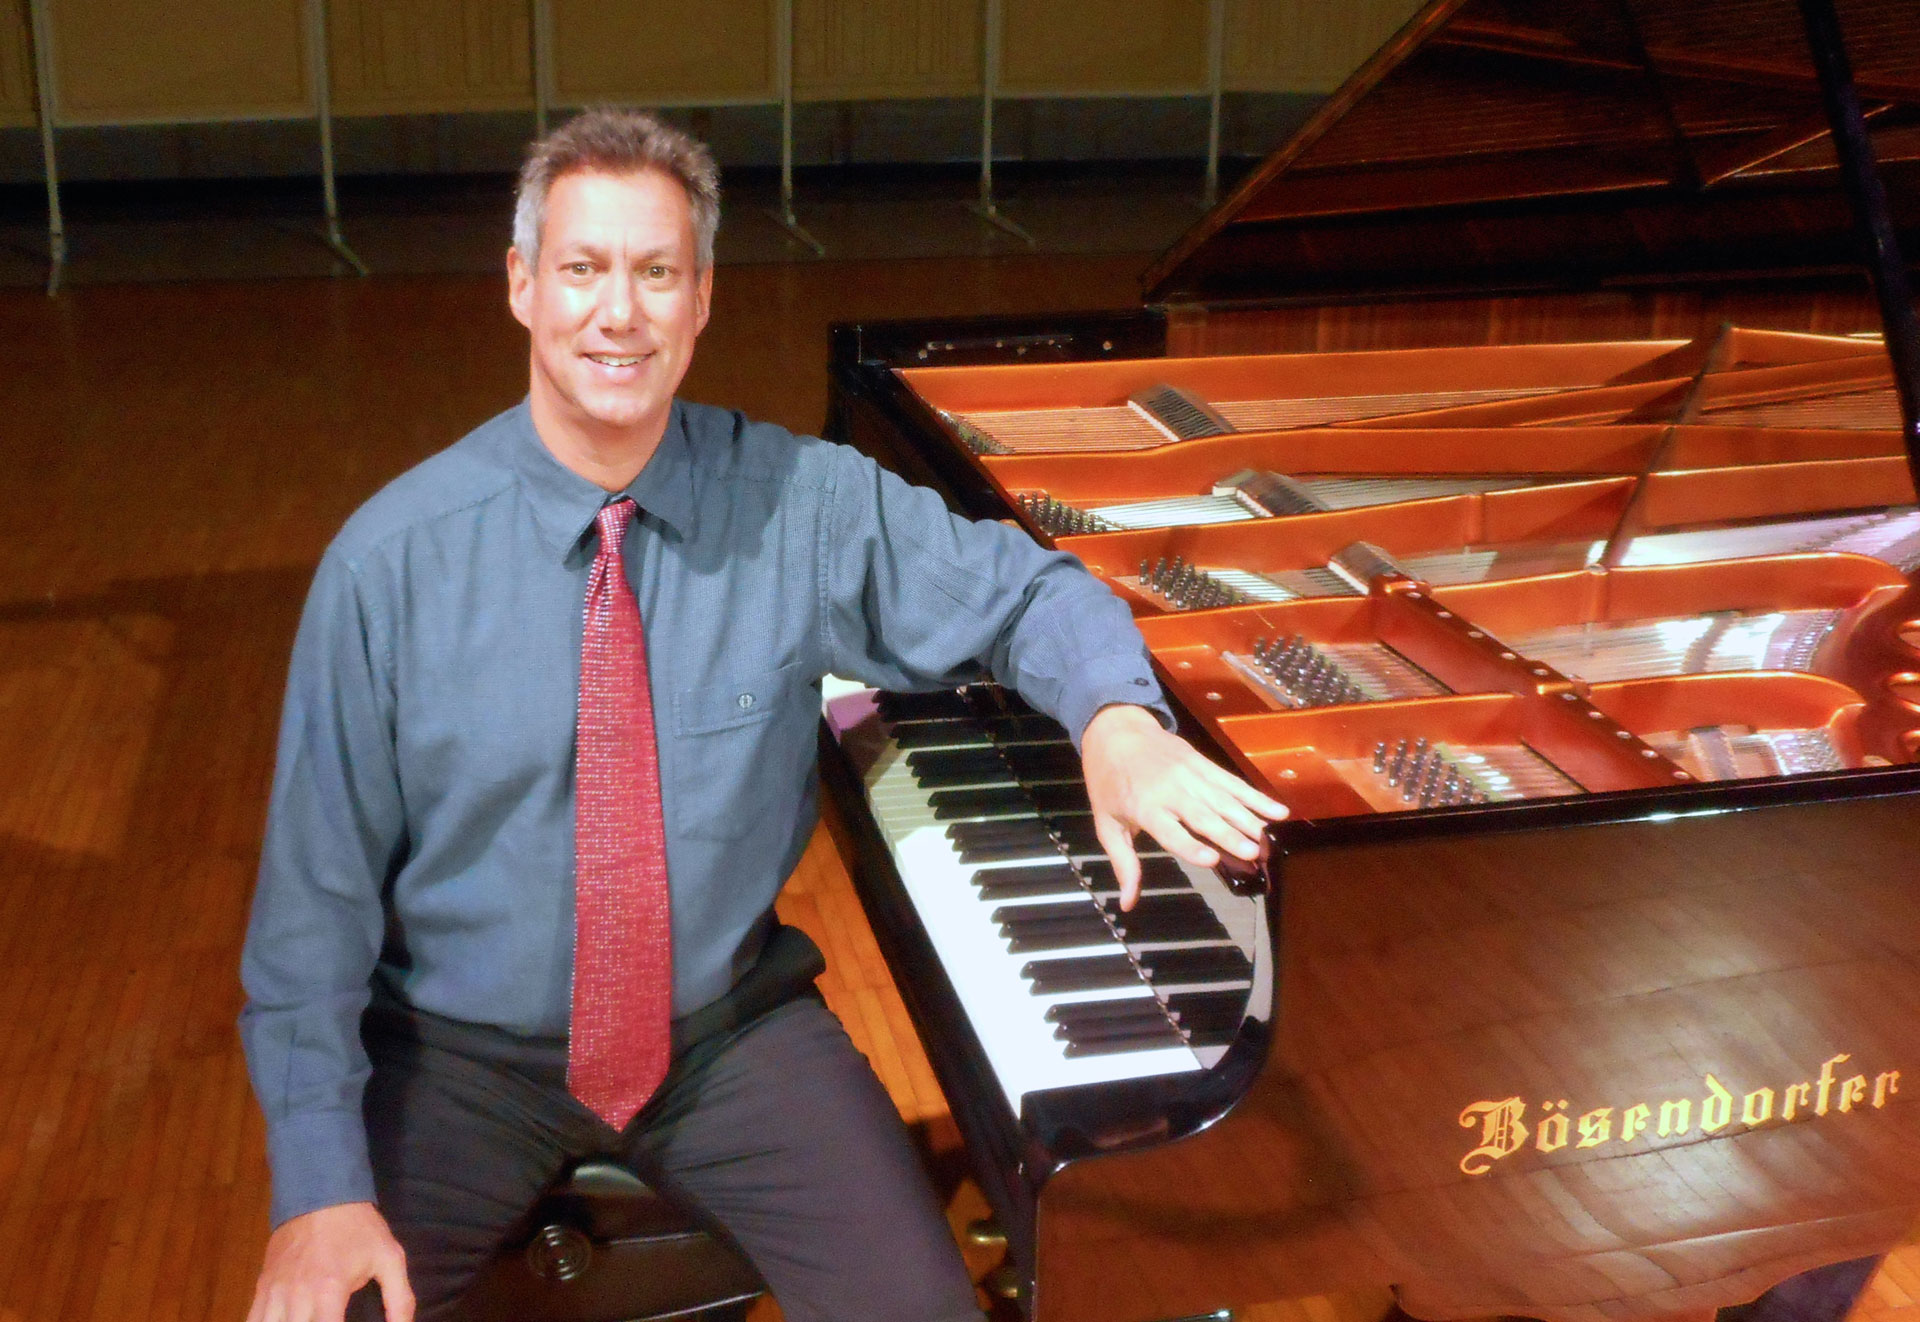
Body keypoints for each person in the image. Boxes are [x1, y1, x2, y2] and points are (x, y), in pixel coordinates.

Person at [239, 107, 1287, 1322]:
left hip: (727, 1035)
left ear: (702, 298)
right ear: (522, 284)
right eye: (582, 268)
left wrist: (1115, 719)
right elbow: (309, 918)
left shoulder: (800, 503)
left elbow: (1028, 587)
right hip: (458, 1056)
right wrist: (317, 1182)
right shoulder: (389, 565)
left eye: (655, 272)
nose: (617, 311)